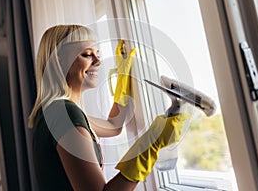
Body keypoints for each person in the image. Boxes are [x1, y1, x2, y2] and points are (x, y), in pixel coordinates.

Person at [29, 24, 189, 191]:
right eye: (87, 55)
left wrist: (123, 76)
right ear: (59, 60)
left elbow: (113, 126)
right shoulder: (64, 114)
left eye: (98, 54)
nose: (98, 62)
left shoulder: (54, 111)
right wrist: (152, 142)